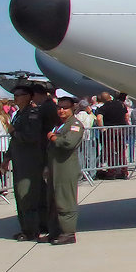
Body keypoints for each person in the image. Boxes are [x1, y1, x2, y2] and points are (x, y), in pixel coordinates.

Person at [1, 86, 46, 241]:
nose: (15, 97)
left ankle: (31, 230)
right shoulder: (18, 114)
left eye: (19, 95)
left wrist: (14, 132)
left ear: (28, 96)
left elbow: (32, 137)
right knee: (20, 195)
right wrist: (7, 158)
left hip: (29, 161)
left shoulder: (32, 114)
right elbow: (14, 141)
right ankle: (26, 227)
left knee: (27, 195)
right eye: (14, 95)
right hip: (19, 160)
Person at [46, 97, 86, 245]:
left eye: (65, 108)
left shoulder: (74, 125)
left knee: (65, 200)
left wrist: (54, 138)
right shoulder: (60, 125)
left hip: (66, 167)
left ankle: (68, 233)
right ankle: (54, 232)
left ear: (73, 109)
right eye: (59, 108)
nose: (61, 110)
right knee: (53, 200)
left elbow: (69, 142)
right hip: (55, 167)